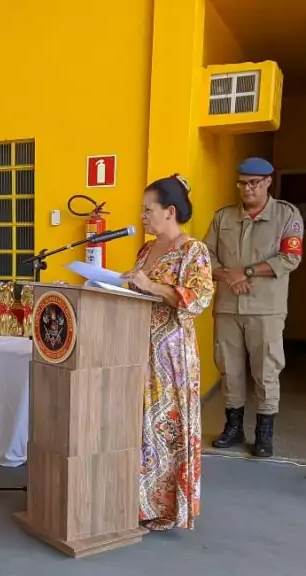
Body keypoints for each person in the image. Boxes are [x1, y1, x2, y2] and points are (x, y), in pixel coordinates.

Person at [121, 175, 215, 532]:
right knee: (143, 429)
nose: (143, 216)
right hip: (138, 349)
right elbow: (141, 290)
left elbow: (199, 298)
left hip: (171, 355)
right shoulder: (146, 249)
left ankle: (167, 509)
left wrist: (152, 285)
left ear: (170, 211)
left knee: (168, 431)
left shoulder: (194, 251)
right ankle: (140, 504)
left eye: (149, 210)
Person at [204, 157, 303, 459]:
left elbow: (290, 258)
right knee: (229, 370)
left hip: (266, 310)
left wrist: (244, 272)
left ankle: (264, 433)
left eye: (254, 183)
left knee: (266, 370)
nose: (247, 189)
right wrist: (228, 276)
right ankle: (233, 429)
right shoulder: (223, 217)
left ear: (268, 182)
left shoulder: (286, 216)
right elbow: (205, 256)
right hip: (228, 307)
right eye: (242, 183)